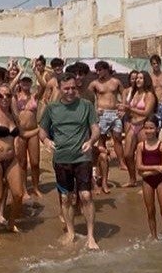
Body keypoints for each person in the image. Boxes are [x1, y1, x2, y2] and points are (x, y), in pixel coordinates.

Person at [39, 73, 100, 250]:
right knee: (65, 198)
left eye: (73, 88)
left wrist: (91, 141)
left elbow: (95, 128)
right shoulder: (52, 108)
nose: (71, 91)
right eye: (67, 88)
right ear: (60, 88)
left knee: (86, 195)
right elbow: (42, 130)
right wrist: (46, 141)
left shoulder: (86, 106)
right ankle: (71, 232)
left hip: (82, 157)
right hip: (61, 158)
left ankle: (90, 236)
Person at [0, 84, 26, 235]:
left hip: (11, 158)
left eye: (8, 95)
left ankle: (11, 222)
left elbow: (21, 133)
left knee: (18, 194)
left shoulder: (14, 115)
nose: (4, 98)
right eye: (1, 96)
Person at [88, 61, 125, 192]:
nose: (98, 72)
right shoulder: (95, 84)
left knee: (118, 137)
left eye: (99, 70)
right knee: (101, 141)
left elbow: (123, 92)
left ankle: (121, 161)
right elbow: (87, 98)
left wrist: (123, 107)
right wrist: (94, 109)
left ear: (106, 70)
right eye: (96, 70)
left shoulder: (116, 82)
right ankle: (100, 167)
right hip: (102, 113)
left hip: (115, 112)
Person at [135, 116, 162, 241]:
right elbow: (139, 166)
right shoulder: (141, 146)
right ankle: (154, 237)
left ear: (157, 129)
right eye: (146, 128)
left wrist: (146, 172)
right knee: (150, 211)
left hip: (161, 181)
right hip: (147, 183)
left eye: (151, 128)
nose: (148, 131)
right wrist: (155, 169)